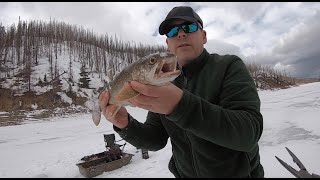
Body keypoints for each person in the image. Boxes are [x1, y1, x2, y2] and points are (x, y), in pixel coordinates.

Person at [99, 6, 264, 178]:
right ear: (168, 44)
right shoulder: (163, 83)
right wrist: (125, 124)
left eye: (190, 27)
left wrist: (180, 105)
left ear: (204, 36)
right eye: (172, 31)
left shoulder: (228, 66)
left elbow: (248, 133)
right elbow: (155, 139)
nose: (181, 34)